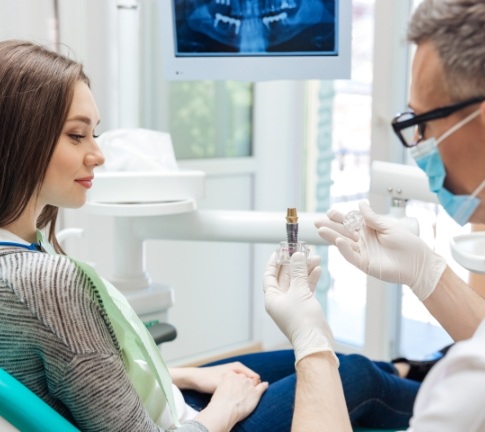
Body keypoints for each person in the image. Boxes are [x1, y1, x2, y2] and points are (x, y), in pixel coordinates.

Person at [0, 39, 426, 432]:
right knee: (355, 376)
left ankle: (423, 370)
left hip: (162, 402)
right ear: (19, 137)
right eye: (77, 135)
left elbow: (92, 377)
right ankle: (459, 393)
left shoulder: (19, 253)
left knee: (356, 363)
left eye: (94, 132)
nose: (98, 153)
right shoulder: (46, 282)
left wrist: (187, 374)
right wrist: (224, 408)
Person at [265, 0, 485, 431]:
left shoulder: (467, 393)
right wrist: (427, 272)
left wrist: (312, 346)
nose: (418, 142)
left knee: (361, 375)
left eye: (422, 121)